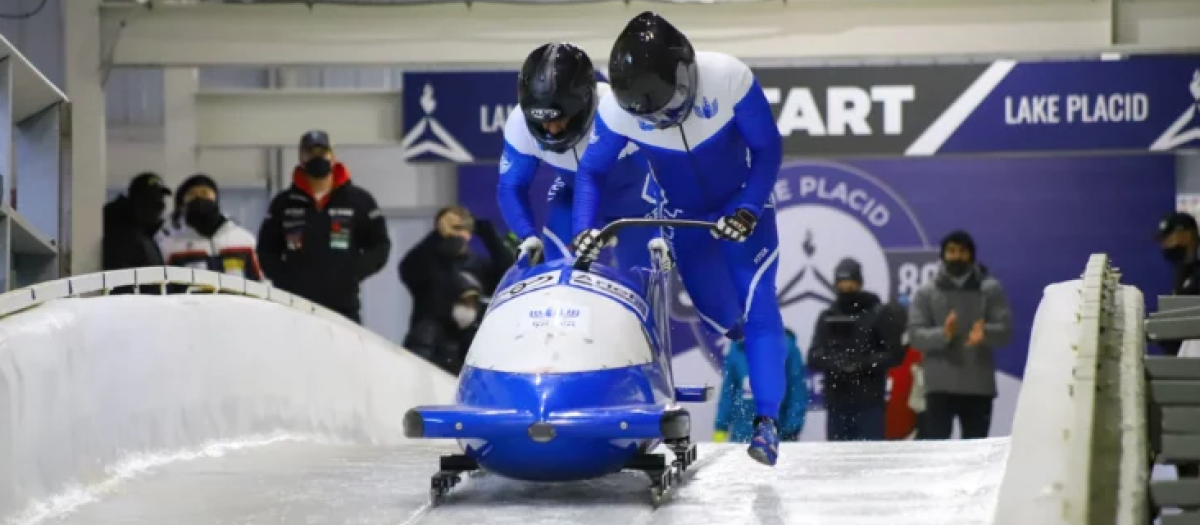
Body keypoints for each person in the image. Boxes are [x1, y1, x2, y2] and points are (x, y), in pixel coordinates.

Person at [569, 12, 786, 466]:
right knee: (726, 321)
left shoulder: (729, 77)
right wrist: (583, 230)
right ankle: (755, 357)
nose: (664, 120)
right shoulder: (614, 111)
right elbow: (590, 171)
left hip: (741, 209)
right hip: (687, 219)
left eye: (669, 107)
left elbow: (767, 149)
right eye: (652, 117)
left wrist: (748, 208)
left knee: (759, 303)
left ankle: (767, 423)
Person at [497, 42, 659, 270]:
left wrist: (663, 225)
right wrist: (526, 234)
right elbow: (510, 187)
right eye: (542, 121)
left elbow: (668, 168)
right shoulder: (518, 123)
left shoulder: (620, 108)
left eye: (560, 119)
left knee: (638, 283)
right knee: (558, 275)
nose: (551, 129)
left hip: (638, 208)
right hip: (572, 201)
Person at [256, 130, 391, 323]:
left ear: (332, 156)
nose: (317, 157)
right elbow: (266, 249)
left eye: (323, 152)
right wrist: (286, 279)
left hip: (343, 307)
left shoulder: (358, 200)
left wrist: (352, 273)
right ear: (301, 158)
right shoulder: (284, 203)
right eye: (310, 153)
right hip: (295, 307)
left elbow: (380, 245)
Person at [907, 230, 1013, 440]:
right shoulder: (926, 293)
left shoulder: (990, 289)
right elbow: (915, 336)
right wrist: (943, 334)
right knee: (936, 454)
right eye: (951, 251)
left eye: (963, 251)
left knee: (975, 455)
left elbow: (1005, 332)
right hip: (938, 385)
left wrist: (986, 334)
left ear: (972, 255)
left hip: (978, 384)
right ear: (943, 255)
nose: (956, 256)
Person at [807, 259, 905, 442]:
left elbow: (894, 355)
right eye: (841, 282)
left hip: (869, 403)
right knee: (838, 462)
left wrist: (862, 363)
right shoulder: (828, 316)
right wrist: (838, 363)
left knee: (871, 460)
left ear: (859, 283)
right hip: (838, 403)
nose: (845, 286)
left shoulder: (877, 313)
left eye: (850, 282)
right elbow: (813, 356)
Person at [399, 205, 511, 338]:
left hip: (468, 341)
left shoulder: (477, 266)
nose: (455, 235)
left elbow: (508, 273)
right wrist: (436, 235)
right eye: (451, 229)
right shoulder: (425, 264)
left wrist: (485, 230)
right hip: (430, 342)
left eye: (460, 228)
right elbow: (408, 267)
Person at [1152, 211, 1200, 482]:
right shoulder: (1184, 271)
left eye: (1168, 239)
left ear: (1186, 233)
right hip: (1186, 369)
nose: (1165, 247)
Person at [158, 174, 263, 283]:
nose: (199, 198)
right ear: (183, 204)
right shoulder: (171, 246)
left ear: (216, 198)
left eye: (205, 193)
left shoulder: (244, 240)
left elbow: (261, 283)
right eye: (192, 195)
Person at [713, 329, 808, 443]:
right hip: (742, 437)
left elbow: (797, 392)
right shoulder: (736, 350)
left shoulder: (787, 349)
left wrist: (792, 429)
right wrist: (721, 427)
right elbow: (728, 392)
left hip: (779, 437)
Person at [403, 270, 485, 375]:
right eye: (463, 302)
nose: (469, 309)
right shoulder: (427, 333)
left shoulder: (471, 337)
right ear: (448, 301)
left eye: (473, 305)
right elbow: (415, 370)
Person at [103, 172, 172, 294]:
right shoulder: (122, 235)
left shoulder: (146, 234)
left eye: (160, 198)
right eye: (151, 199)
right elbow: (121, 285)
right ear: (136, 200)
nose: (159, 205)